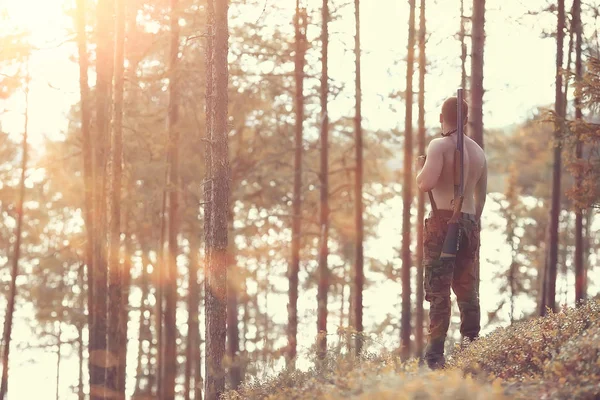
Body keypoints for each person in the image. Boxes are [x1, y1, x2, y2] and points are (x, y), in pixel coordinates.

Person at [415, 96, 487, 370]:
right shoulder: (478, 152)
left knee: (438, 291)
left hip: (442, 222)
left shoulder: (439, 145)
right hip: (469, 222)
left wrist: (418, 170)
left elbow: (425, 183)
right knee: (468, 290)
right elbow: (481, 198)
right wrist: (469, 222)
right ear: (465, 120)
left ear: (441, 117)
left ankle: (435, 357)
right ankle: (472, 348)